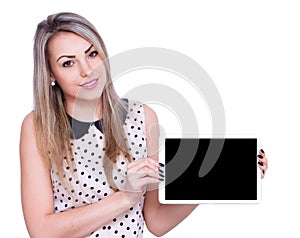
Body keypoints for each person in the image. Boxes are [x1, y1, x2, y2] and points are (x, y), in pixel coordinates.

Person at [19, 12, 268, 238]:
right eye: (68, 63)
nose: (87, 70)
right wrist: (125, 197)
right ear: (50, 74)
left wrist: (214, 180)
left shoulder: (142, 117)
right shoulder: (37, 127)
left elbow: (156, 221)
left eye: (92, 54)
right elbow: (42, 231)